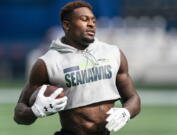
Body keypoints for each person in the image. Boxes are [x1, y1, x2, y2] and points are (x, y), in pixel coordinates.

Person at [14, 1, 141, 135]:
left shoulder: (113, 53)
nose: (91, 24)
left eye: (93, 20)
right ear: (66, 25)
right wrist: (34, 111)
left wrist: (126, 111)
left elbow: (133, 98)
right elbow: (19, 115)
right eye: (84, 19)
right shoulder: (47, 63)